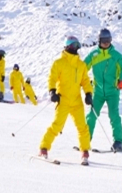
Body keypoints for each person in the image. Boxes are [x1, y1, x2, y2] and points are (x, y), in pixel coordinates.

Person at [39, 36, 94, 165]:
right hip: (62, 99)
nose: (75, 48)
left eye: (76, 46)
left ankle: (85, 151)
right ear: (66, 46)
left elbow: (85, 81)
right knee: (57, 125)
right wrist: (52, 91)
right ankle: (44, 148)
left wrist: (88, 94)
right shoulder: (59, 63)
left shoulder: (81, 65)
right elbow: (52, 78)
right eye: (72, 45)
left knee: (83, 127)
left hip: (76, 102)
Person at [84, 28, 122, 152]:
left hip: (112, 91)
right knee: (91, 115)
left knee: (114, 115)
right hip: (97, 91)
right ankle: (85, 141)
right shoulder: (94, 55)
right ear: (99, 41)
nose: (106, 43)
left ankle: (119, 142)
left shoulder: (116, 56)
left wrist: (121, 80)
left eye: (108, 40)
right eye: (104, 40)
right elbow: (83, 67)